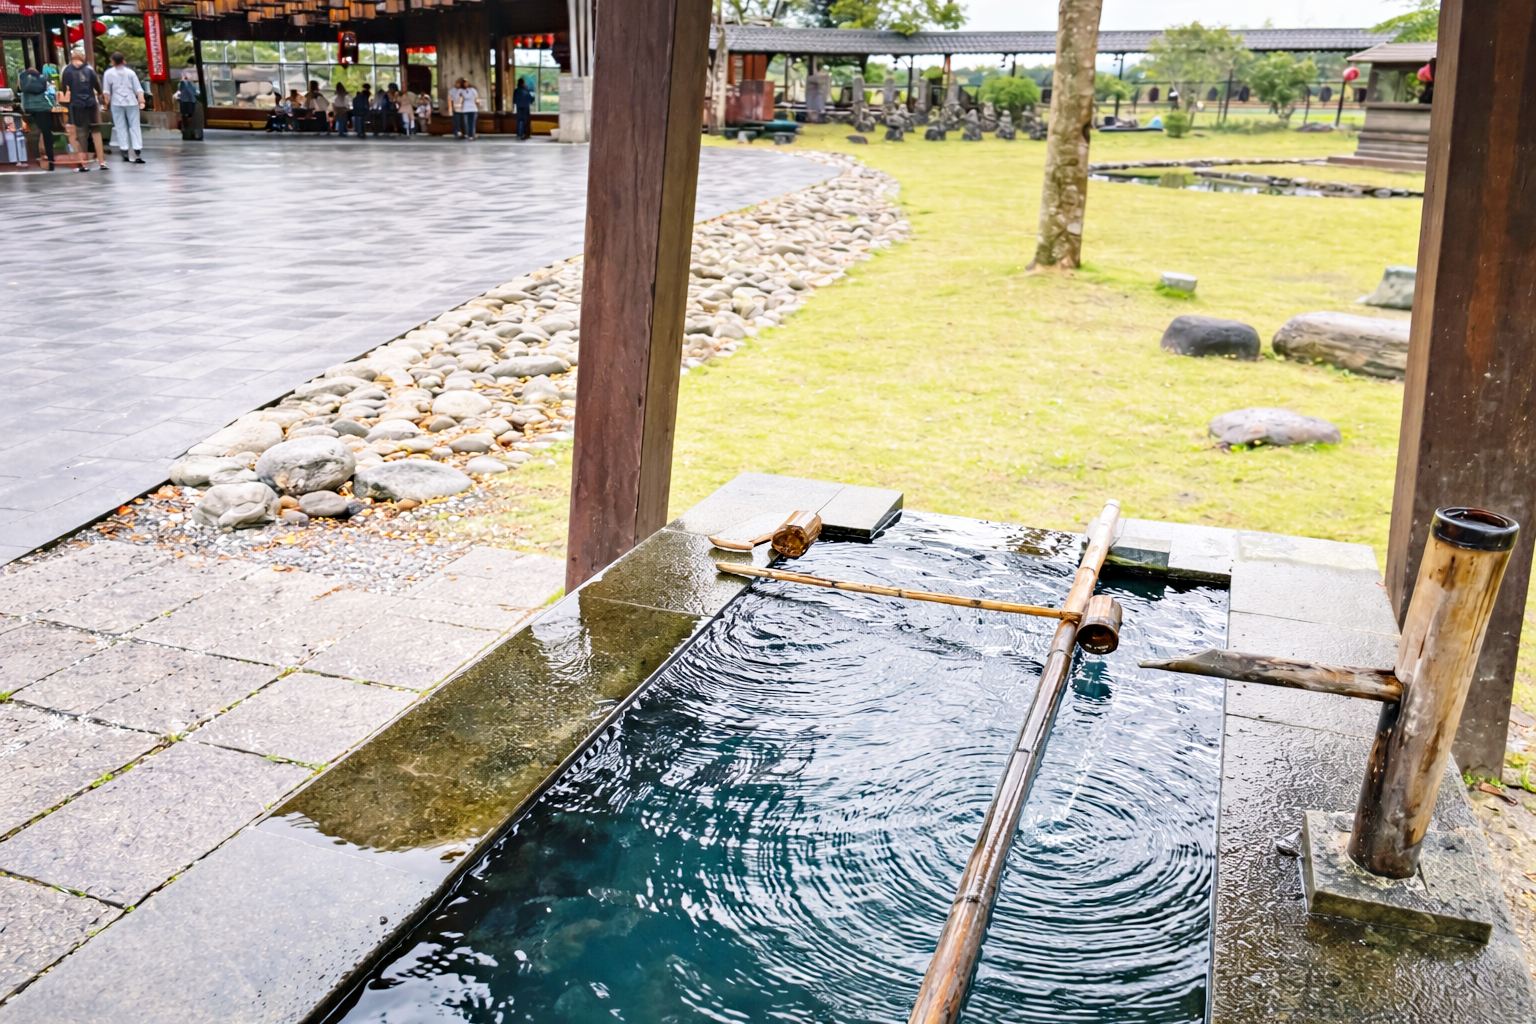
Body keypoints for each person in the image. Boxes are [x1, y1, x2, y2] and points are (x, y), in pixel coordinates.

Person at [60, 49, 106, 173]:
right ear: (82, 57)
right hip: (91, 104)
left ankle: (84, 164)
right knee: (96, 133)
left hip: (77, 105)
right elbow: (97, 86)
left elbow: (64, 88)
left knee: (81, 135)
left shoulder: (67, 71)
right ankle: (102, 162)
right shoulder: (90, 69)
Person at [103, 53, 146, 163]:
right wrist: (141, 101)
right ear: (123, 60)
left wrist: (105, 104)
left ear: (113, 61)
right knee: (134, 125)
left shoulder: (108, 73)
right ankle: (137, 150)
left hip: (116, 102)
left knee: (120, 126)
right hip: (131, 101)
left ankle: (124, 150)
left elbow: (106, 92)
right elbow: (138, 89)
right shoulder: (130, 73)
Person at [17, 65, 56, 170]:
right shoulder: (42, 78)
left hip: (29, 108)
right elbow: (49, 93)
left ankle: (36, 157)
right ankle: (51, 159)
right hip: (43, 108)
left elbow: (20, 90)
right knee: (47, 133)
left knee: (32, 133)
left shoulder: (23, 77)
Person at [176, 71, 201, 141]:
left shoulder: (191, 84)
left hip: (189, 101)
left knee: (189, 116)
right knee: (186, 116)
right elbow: (180, 89)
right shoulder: (182, 83)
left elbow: (195, 92)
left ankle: (189, 129)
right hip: (186, 101)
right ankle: (187, 129)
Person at [513, 75, 533, 141]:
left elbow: (514, 100)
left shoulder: (516, 90)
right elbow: (531, 98)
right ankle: (525, 133)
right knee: (525, 120)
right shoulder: (526, 90)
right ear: (523, 83)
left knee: (519, 120)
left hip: (519, 107)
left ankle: (519, 133)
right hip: (526, 107)